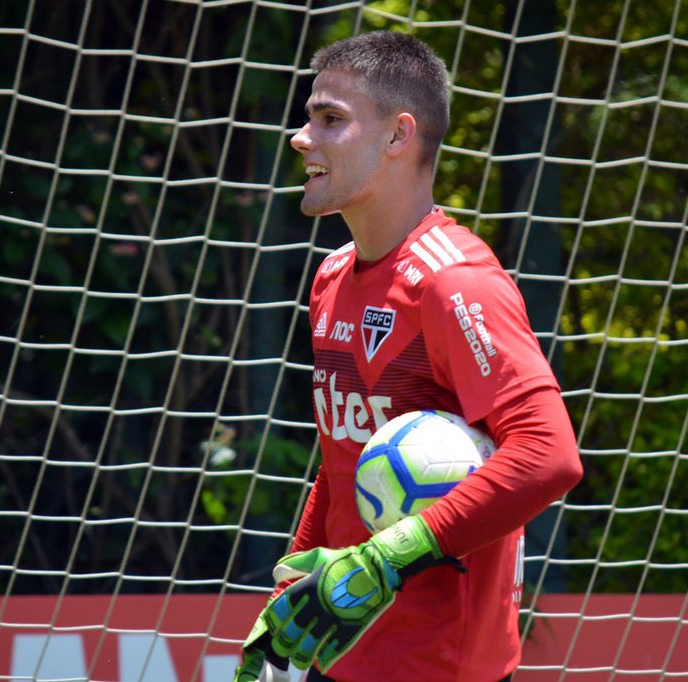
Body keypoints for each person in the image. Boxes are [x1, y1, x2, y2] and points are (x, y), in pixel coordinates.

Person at [234, 30, 583, 682]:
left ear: (398, 136)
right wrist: (289, 603)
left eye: (329, 119)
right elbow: (344, 465)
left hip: (442, 668)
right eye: (309, 116)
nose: (300, 137)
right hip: (339, 657)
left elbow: (549, 454)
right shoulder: (333, 276)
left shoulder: (457, 282)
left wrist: (394, 552)